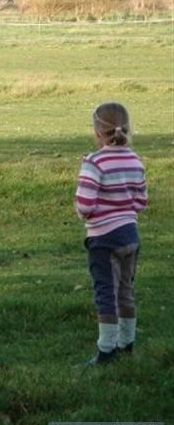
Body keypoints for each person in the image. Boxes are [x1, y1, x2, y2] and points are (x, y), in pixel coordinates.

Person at [75, 102, 148, 366]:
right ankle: (126, 344)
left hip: (103, 239)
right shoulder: (135, 159)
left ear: (97, 132)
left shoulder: (94, 162)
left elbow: (85, 204)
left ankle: (106, 351)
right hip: (131, 235)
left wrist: (87, 215)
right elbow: (141, 201)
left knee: (105, 293)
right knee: (126, 291)